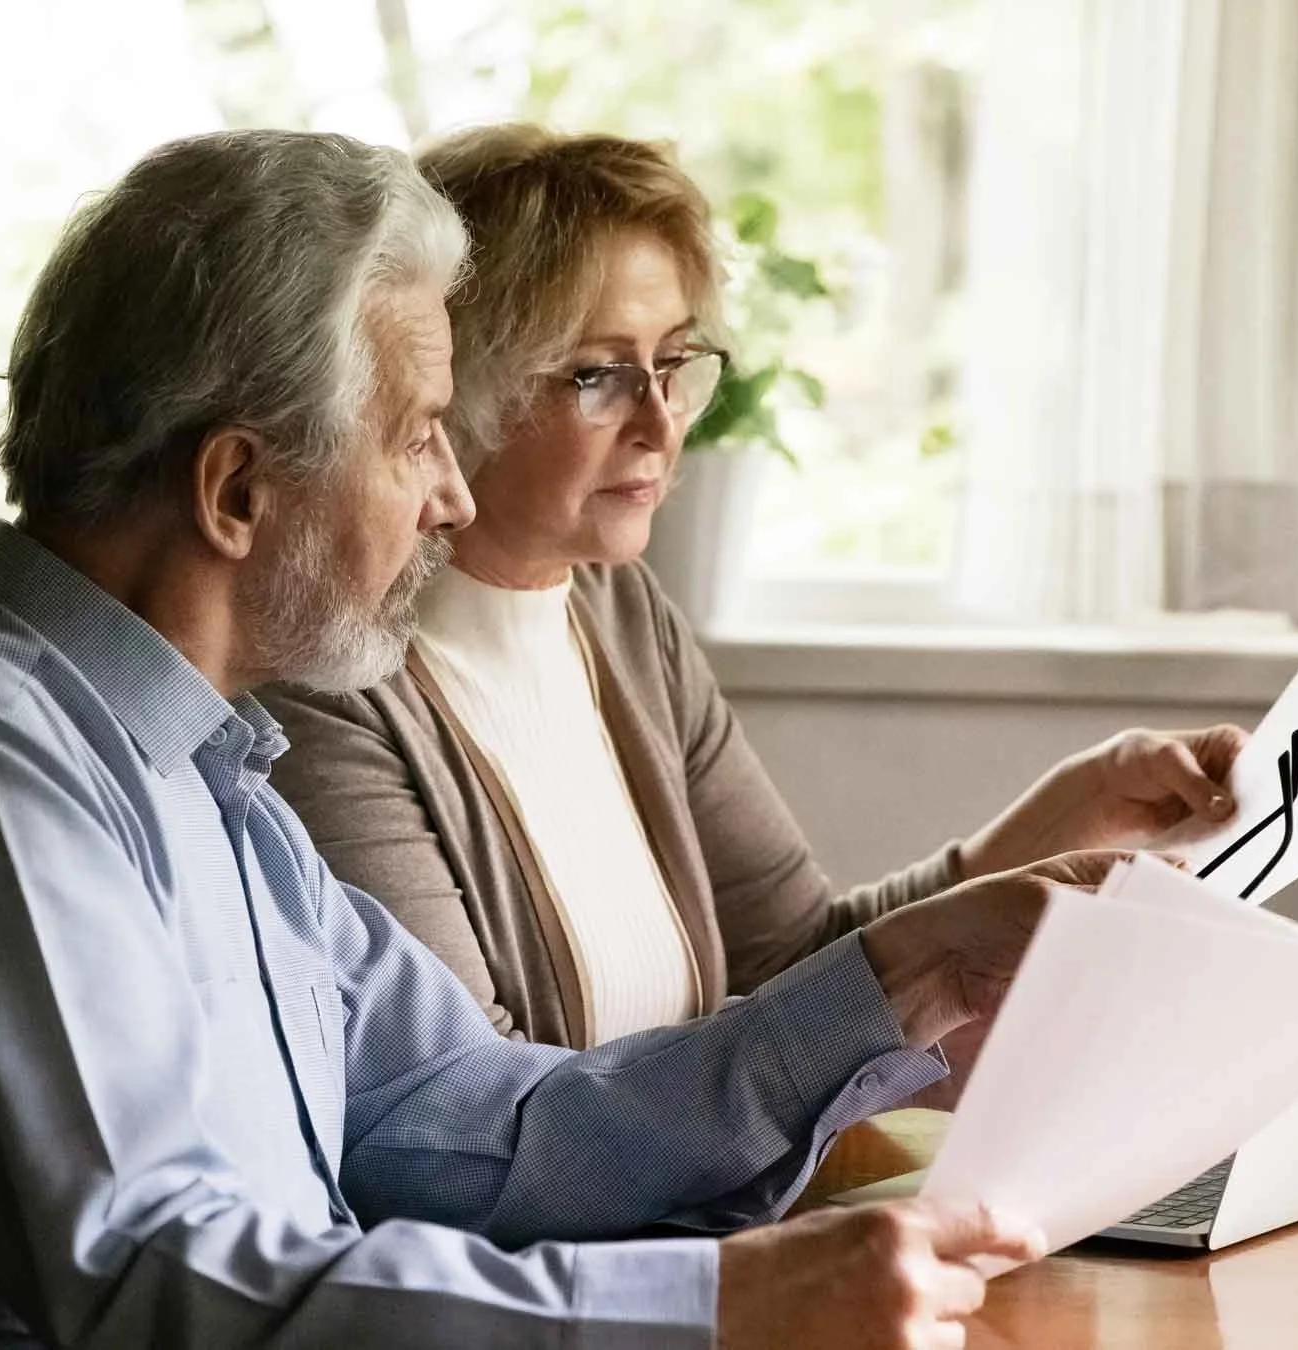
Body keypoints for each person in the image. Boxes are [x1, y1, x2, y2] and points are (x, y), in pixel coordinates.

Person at [0, 127, 1117, 1350]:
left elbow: (491, 1124)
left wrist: (904, 975)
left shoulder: (203, 775)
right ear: (238, 490)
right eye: (418, 434)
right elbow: (156, 1274)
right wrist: (716, 1307)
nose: (452, 499)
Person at [262, 125, 1244, 1052]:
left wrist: (1067, 814)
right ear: (453, 387)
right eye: (600, 375)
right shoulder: (332, 688)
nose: (661, 422)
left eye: (675, 361)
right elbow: (480, 1110)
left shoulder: (620, 611)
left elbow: (794, 958)